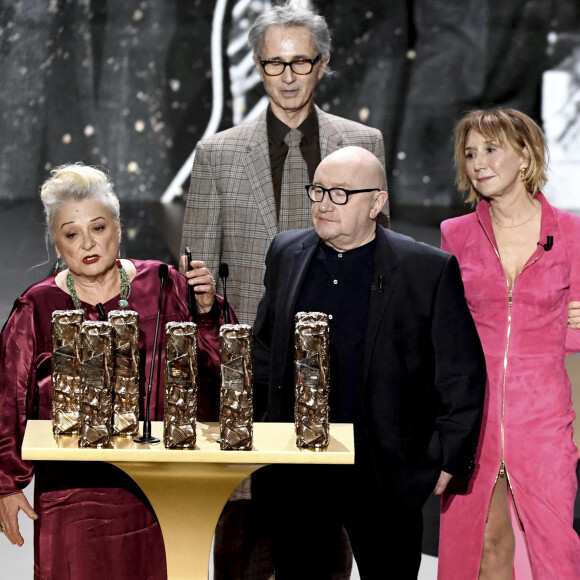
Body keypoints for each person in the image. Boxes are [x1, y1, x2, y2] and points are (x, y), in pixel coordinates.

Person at [251, 146, 486, 579]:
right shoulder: (286, 252)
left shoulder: (426, 269)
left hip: (385, 470)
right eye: (318, 190)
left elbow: (460, 372)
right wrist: (263, 427)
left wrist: (447, 457)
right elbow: (264, 349)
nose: (323, 203)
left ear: (376, 202)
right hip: (298, 468)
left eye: (340, 194)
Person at [0, 164, 235, 579]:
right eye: (72, 234)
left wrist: (207, 309)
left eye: (98, 228)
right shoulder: (35, 307)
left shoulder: (166, 284)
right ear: (57, 243)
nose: (88, 243)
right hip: (73, 495)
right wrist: (8, 482)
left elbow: (224, 368)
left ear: (119, 228)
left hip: (161, 488)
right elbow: (8, 400)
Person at [181, 1, 388, 326]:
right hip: (249, 348)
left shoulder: (363, 143)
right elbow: (195, 274)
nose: (288, 77)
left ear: (322, 64)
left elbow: (383, 258)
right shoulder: (216, 154)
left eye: (301, 62)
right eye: (275, 63)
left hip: (344, 338)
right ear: (258, 66)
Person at [438, 108, 580, 579]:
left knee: (556, 551)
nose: (478, 162)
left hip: (542, 420)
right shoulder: (454, 235)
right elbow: (444, 330)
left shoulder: (572, 234)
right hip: (472, 417)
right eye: (470, 153)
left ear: (524, 156)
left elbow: (575, 335)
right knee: (482, 547)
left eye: (491, 149)